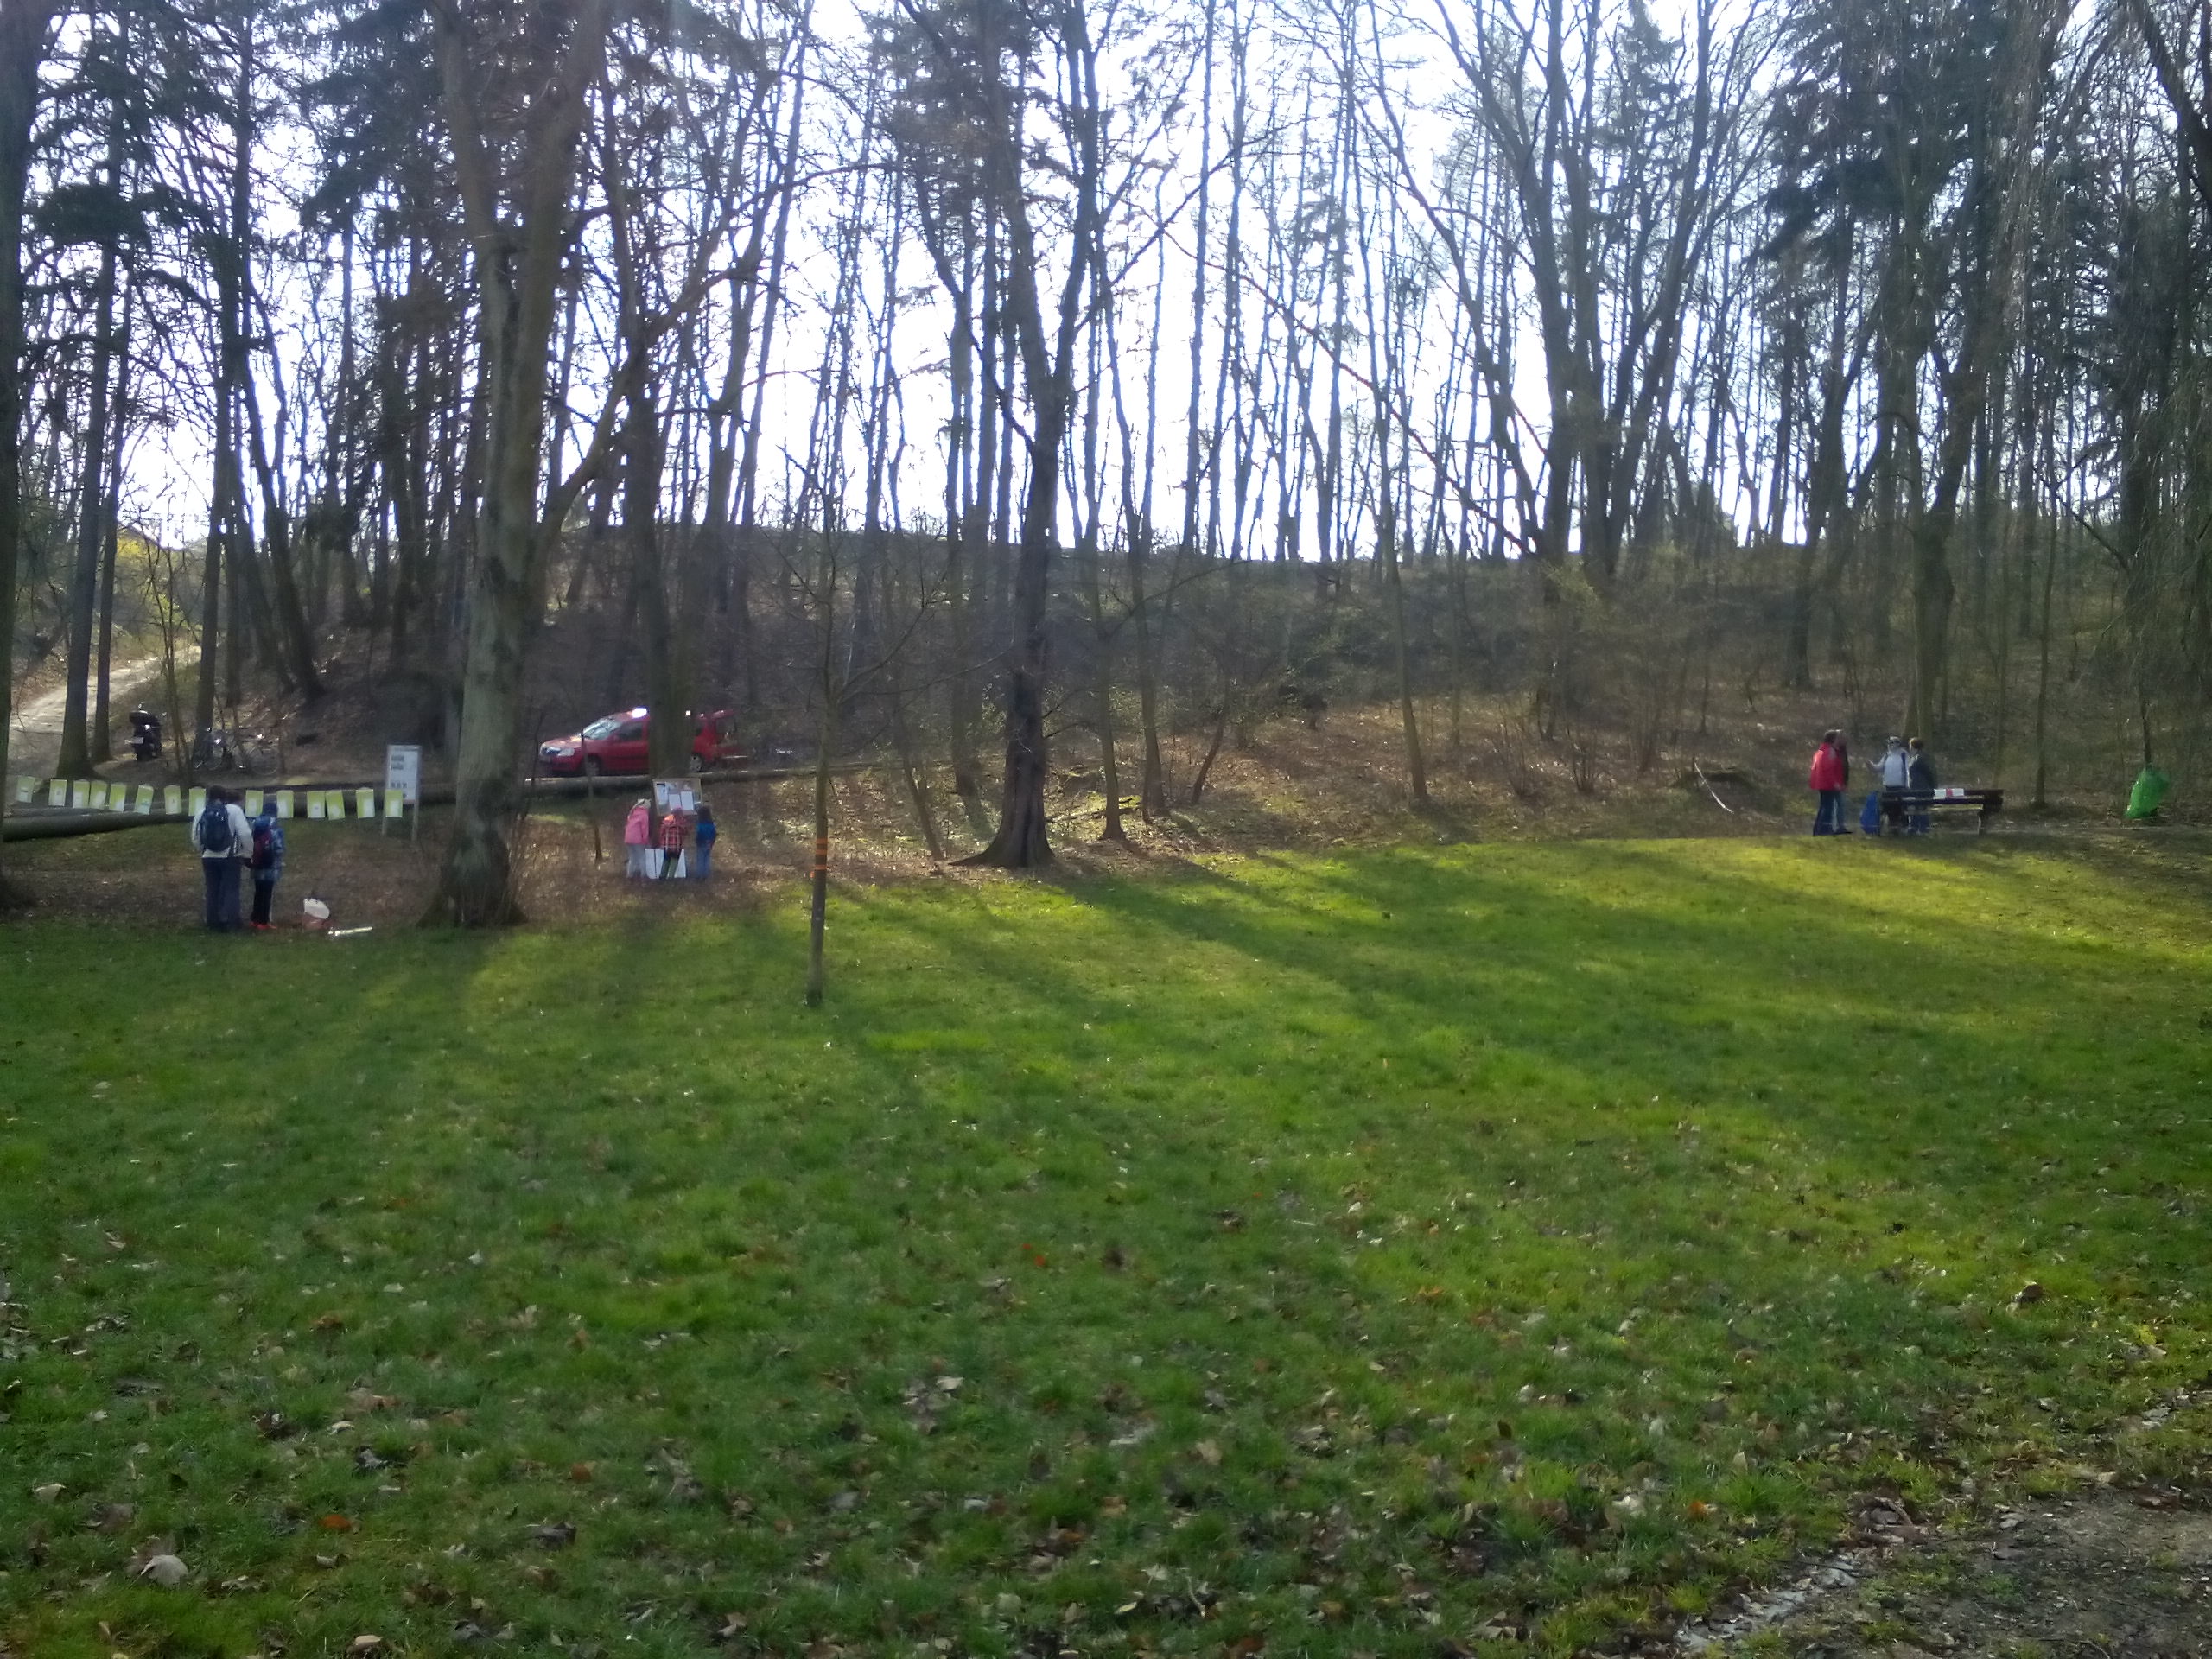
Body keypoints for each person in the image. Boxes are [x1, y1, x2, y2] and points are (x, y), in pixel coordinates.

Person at [190, 787, 253, 932]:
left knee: (212, 889)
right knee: (231, 889)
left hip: (208, 856)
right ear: (224, 796)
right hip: (230, 856)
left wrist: (203, 849)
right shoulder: (234, 810)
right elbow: (245, 833)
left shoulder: (202, 812)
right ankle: (232, 922)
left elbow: (195, 836)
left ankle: (213, 921)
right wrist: (248, 852)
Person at [248, 798, 286, 929]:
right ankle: (263, 922)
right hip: (271, 865)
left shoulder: (255, 824)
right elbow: (279, 848)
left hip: (257, 863)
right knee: (267, 893)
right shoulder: (276, 827)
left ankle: (254, 919)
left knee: (258, 892)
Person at [1808, 730, 1847, 835]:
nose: (1839, 740)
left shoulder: (1822, 750)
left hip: (1822, 783)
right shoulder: (1830, 751)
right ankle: (1824, 830)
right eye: (1837, 738)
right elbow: (1828, 769)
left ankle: (1818, 830)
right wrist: (1835, 783)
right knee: (1827, 808)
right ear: (1833, 739)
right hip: (1827, 784)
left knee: (1824, 807)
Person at [1877, 735, 1910, 835]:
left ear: (1897, 744)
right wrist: (1870, 765)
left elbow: (1908, 770)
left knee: (1900, 807)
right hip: (1888, 785)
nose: (1889, 745)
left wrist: (1908, 784)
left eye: (1891, 743)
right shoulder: (1887, 755)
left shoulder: (1904, 755)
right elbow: (1879, 767)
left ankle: (1903, 826)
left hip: (1900, 785)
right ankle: (1892, 826)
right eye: (1889, 743)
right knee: (1889, 807)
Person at [1905, 737, 1936, 835]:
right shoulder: (1914, 758)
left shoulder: (1919, 759)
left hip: (1921, 788)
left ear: (1913, 747)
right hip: (1915, 788)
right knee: (1915, 808)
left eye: (1910, 746)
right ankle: (1914, 828)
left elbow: (1928, 774)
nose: (1909, 748)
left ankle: (1923, 829)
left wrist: (1931, 787)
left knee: (1921, 808)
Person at [658, 804, 690, 880]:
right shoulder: (682, 821)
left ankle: (662, 876)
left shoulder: (666, 820)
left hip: (667, 845)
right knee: (674, 861)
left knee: (666, 860)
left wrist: (661, 842)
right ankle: (670, 877)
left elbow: (661, 832)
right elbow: (685, 832)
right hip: (677, 845)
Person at [623, 798, 652, 879]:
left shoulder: (633, 813)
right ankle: (644, 875)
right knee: (642, 856)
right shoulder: (644, 815)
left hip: (628, 838)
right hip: (637, 839)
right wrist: (645, 840)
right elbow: (644, 829)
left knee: (632, 857)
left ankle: (629, 874)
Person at [691, 798, 716, 880]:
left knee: (700, 859)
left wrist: (697, 841)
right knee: (707, 859)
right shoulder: (711, 824)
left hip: (701, 843)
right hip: (709, 843)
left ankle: (699, 875)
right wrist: (712, 842)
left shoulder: (701, 824)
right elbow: (714, 833)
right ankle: (706, 875)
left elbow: (699, 833)